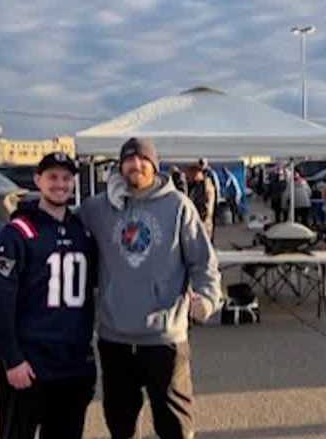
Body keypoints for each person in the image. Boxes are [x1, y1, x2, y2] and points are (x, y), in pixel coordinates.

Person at [81, 138, 222, 439]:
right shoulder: (98, 208)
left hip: (164, 337)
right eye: (129, 160)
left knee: (174, 425)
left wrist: (207, 299)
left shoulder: (178, 206)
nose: (136, 165)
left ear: (155, 166)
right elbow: (60, 224)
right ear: (120, 166)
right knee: (120, 424)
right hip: (114, 337)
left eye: (143, 159)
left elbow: (202, 261)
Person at [0, 152, 98, 439]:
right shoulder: (17, 233)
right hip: (31, 364)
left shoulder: (83, 231)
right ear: (38, 180)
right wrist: (12, 359)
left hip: (73, 366)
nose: (59, 184)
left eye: (65, 178)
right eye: (52, 177)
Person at [188, 159, 218, 239]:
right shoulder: (196, 185)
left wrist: (204, 217)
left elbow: (207, 203)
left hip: (203, 219)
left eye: (192, 173)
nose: (189, 176)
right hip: (199, 218)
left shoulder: (205, 184)